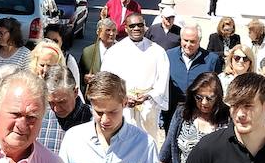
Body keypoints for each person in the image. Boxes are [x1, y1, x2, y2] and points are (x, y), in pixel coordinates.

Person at [102, 11, 170, 142]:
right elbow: (107, 80)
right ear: (126, 28)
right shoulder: (114, 52)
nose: (137, 28)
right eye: (132, 26)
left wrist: (149, 96)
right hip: (122, 107)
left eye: (140, 25)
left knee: (147, 144)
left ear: (145, 26)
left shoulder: (157, 51)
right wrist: (124, 97)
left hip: (148, 107)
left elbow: (162, 80)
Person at [164, 25, 220, 134]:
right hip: (172, 111)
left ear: (199, 41)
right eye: (185, 40)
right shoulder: (168, 56)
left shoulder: (211, 59)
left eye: (193, 41)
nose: (188, 45)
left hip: (200, 112)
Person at [37, 66, 92, 154]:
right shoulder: (40, 117)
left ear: (75, 92)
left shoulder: (94, 120)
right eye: (51, 103)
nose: (56, 109)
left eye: (62, 102)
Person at [81, 16, 118, 87]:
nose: (111, 34)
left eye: (114, 30)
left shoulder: (122, 51)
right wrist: (85, 79)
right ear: (99, 32)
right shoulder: (88, 52)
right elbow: (80, 74)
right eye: (108, 30)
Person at [42, 23, 82, 87]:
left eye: (55, 41)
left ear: (63, 43)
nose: (50, 44)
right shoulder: (37, 56)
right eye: (47, 40)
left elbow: (75, 87)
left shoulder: (69, 61)